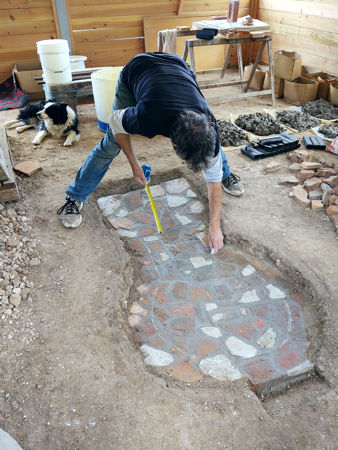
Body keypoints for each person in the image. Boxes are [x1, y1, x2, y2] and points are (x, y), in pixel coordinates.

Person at [57, 52, 244, 254]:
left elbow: (211, 173)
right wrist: (133, 163)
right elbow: (115, 122)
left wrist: (214, 227)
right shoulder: (147, 117)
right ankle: (76, 195)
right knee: (110, 145)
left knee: (209, 152)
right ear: (173, 143)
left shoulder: (209, 124)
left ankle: (226, 174)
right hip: (137, 70)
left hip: (177, 67)